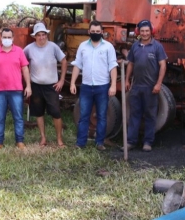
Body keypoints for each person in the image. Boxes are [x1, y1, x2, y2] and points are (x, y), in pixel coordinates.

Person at [70, 20, 118, 150]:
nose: (95, 33)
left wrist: (113, 85)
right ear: (89, 32)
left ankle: (100, 143)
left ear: (102, 32)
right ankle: (80, 143)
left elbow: (113, 67)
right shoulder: (83, 46)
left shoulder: (108, 47)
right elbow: (77, 65)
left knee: (102, 116)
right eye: (93, 31)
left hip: (102, 87)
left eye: (98, 31)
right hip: (86, 86)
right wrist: (73, 82)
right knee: (84, 115)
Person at [124, 20, 167, 152]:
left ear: (151, 31)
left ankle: (147, 142)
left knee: (150, 115)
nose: (144, 33)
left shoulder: (157, 47)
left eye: (147, 31)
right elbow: (130, 64)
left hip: (151, 88)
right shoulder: (135, 47)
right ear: (138, 32)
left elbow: (163, 65)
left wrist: (158, 84)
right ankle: (131, 142)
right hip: (136, 87)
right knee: (134, 115)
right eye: (142, 31)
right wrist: (127, 80)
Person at [24, 23, 68, 148]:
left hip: (51, 86)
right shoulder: (29, 49)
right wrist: (27, 80)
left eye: (44, 35)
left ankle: (59, 139)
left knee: (56, 113)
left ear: (46, 35)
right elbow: (21, 62)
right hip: (36, 85)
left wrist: (62, 80)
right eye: (39, 35)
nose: (42, 37)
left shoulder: (53, 47)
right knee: (39, 113)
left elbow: (64, 61)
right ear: (35, 36)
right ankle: (43, 137)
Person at [0, 28, 31, 150]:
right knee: (0, 117)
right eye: (4, 37)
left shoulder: (19, 51)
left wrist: (28, 86)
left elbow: (25, 69)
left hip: (16, 90)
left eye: (9, 37)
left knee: (18, 117)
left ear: (13, 38)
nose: (7, 39)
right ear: (1, 38)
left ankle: (20, 141)